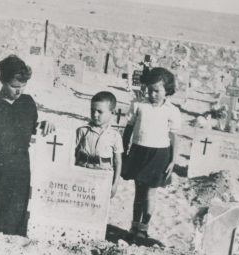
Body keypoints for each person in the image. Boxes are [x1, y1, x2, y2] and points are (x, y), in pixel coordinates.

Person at [0, 54, 54, 235]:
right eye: (14, 86)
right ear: (2, 81)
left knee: (11, 228)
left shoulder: (27, 103)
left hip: (18, 177)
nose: (19, 91)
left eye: (23, 86)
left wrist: (43, 125)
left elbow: (26, 128)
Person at [121, 67, 181, 240]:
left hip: (160, 155)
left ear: (167, 91)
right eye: (149, 90)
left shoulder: (172, 110)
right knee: (138, 192)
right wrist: (124, 149)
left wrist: (173, 160)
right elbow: (129, 128)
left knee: (151, 193)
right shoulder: (138, 104)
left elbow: (174, 137)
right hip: (139, 151)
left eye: (157, 91)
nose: (152, 94)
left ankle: (144, 228)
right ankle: (134, 225)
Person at [75, 91, 123, 198]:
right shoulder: (82, 131)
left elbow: (118, 162)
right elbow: (72, 154)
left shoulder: (115, 136)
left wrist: (114, 185)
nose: (95, 114)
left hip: (103, 176)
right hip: (82, 172)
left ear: (112, 112)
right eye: (92, 110)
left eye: (100, 112)